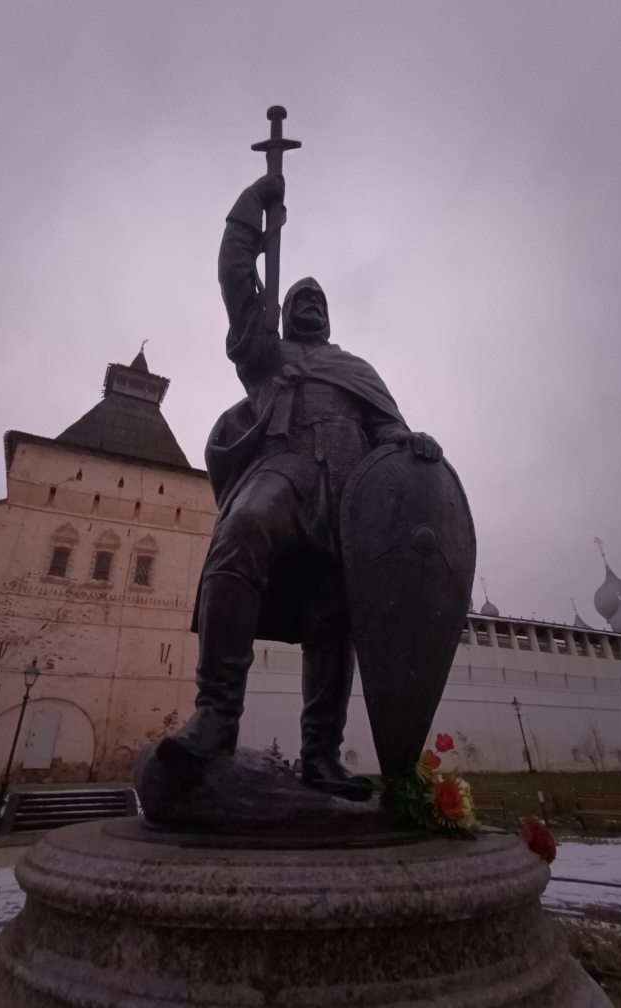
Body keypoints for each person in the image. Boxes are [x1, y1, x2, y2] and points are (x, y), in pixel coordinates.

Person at [158, 174, 441, 799]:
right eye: (298, 297)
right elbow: (236, 277)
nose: (310, 301)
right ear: (283, 314)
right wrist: (249, 210)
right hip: (284, 466)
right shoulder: (266, 353)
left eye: (318, 298)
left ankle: (321, 755)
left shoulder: (356, 369)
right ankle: (216, 716)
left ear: (329, 315)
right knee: (242, 530)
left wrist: (412, 444)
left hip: (349, 490)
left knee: (334, 614)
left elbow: (388, 430)